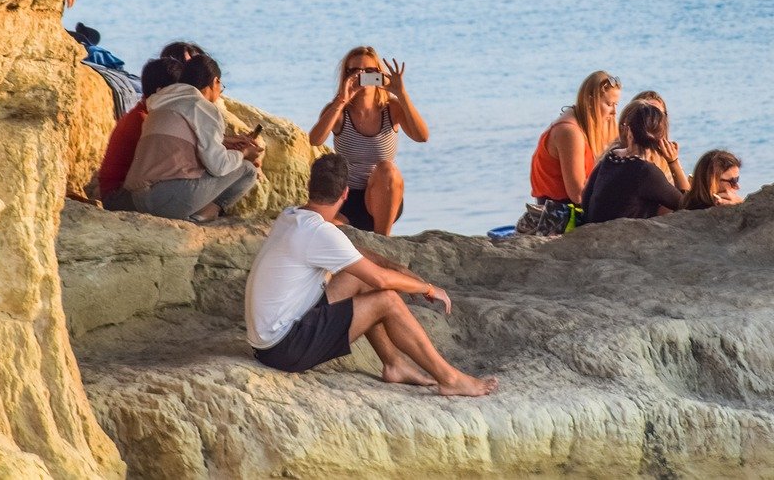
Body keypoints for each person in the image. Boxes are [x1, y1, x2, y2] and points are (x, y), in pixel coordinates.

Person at [245, 154, 497, 396]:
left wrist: (398, 269)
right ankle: (450, 379)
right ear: (345, 194)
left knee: (358, 278)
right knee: (386, 300)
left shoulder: (292, 217)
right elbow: (380, 280)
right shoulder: (319, 233)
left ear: (310, 187)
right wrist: (428, 288)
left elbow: (354, 254)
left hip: (271, 339)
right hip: (285, 348)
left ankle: (394, 365)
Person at [124, 53, 263, 223]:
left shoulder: (161, 105)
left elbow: (183, 144)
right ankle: (205, 215)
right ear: (215, 82)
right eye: (221, 87)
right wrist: (245, 153)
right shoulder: (202, 106)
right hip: (167, 201)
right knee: (248, 169)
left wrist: (225, 142)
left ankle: (196, 212)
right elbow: (218, 166)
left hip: (138, 199)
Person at [308, 46, 429, 236]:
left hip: (383, 196)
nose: (361, 75)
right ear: (345, 76)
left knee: (386, 168)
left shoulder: (392, 108)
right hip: (347, 199)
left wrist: (402, 94)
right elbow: (315, 140)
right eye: (354, 71)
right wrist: (341, 100)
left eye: (369, 71)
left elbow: (422, 136)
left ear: (379, 74)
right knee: (323, 234)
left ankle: (384, 240)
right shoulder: (339, 111)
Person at [96, 56, 183, 211]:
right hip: (118, 197)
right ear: (161, 92)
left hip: (122, 192)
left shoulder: (145, 114)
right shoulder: (143, 121)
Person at [580, 103, 684, 224]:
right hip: (621, 238)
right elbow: (685, 204)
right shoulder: (646, 171)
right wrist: (673, 162)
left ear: (629, 131)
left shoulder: (611, 157)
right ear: (662, 138)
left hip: (592, 230)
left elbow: (586, 200)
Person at [528, 71, 621, 206]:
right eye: (609, 104)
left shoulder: (597, 122)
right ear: (590, 101)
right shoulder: (569, 132)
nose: (614, 111)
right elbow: (577, 195)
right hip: (560, 211)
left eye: (616, 104)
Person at [611, 90, 689, 192]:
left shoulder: (665, 157)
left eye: (659, 115)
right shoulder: (616, 154)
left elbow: (687, 197)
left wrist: (674, 162)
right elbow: (684, 201)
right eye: (647, 114)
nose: (653, 121)